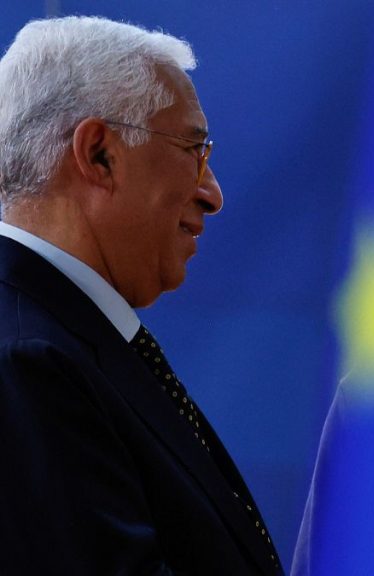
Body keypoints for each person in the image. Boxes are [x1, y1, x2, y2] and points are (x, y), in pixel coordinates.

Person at [0, 17, 283, 574]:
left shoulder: (64, 341)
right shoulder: (25, 362)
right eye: (194, 149)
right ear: (99, 154)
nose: (213, 194)